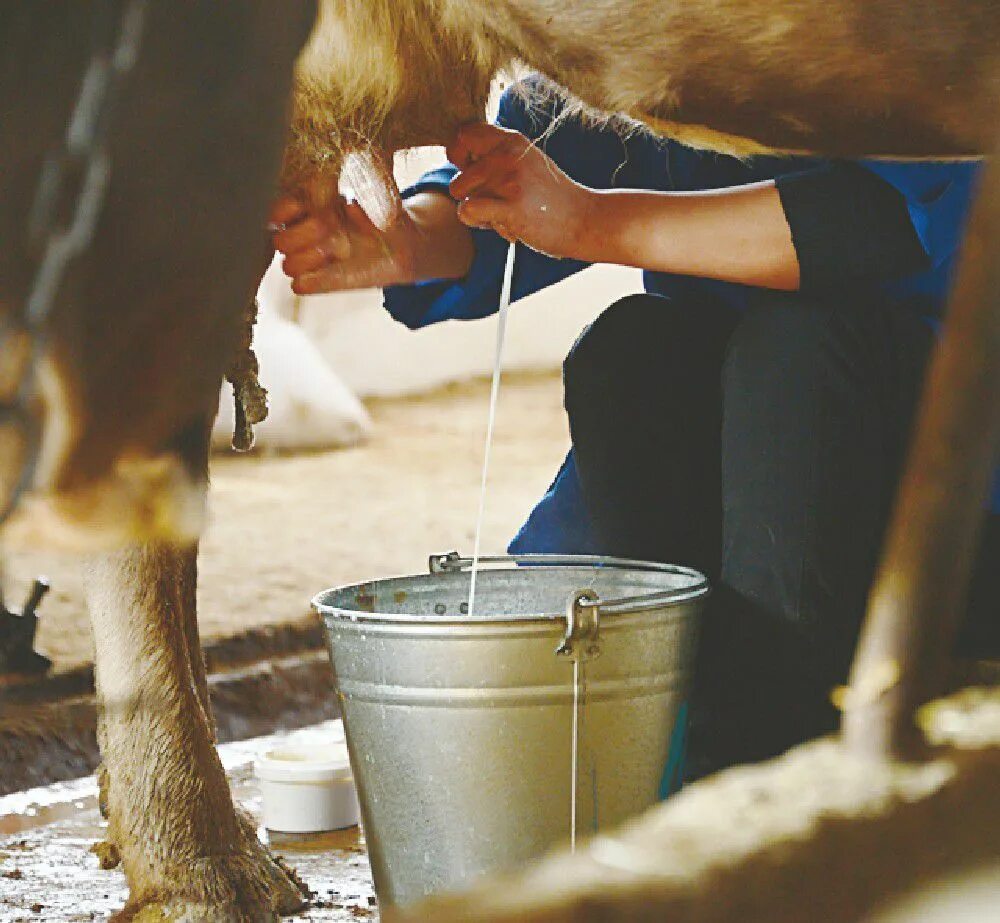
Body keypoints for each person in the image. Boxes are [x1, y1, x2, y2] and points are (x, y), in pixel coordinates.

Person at [273, 79, 998, 780]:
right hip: (747, 482)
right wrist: (406, 236)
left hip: (953, 510)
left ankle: (762, 772)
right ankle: (685, 732)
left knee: (798, 349)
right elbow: (542, 158)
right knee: (627, 349)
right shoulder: (667, 41)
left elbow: (894, 218)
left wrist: (591, 221)